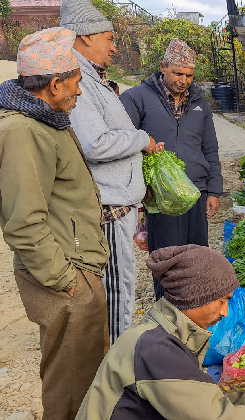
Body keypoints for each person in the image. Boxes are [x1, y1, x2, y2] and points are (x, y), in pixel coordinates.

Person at [0, 27, 109, 420]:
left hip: (76, 271)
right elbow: (23, 222)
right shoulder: (22, 131)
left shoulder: (45, 120)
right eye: (76, 83)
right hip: (64, 278)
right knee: (71, 383)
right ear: (55, 84)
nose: (79, 92)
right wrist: (66, 281)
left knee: (86, 374)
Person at [76, 245, 245, 420]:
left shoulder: (164, 334)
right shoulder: (157, 349)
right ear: (197, 299)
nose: (225, 313)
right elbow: (215, 416)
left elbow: (206, 400)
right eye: (223, 301)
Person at [61, 0, 163, 344]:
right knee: (117, 287)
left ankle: (117, 356)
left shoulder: (90, 75)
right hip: (109, 203)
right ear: (86, 37)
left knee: (122, 283)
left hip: (119, 200)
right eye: (108, 38)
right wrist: (141, 140)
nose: (114, 46)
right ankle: (117, 365)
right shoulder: (77, 77)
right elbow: (96, 143)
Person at [120, 39, 223, 301]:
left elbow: (210, 148)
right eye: (177, 73)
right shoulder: (136, 98)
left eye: (189, 75)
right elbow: (124, 142)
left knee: (197, 253)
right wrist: (141, 189)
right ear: (163, 66)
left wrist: (214, 189)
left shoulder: (200, 103)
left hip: (196, 191)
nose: (183, 80)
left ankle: (195, 307)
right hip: (160, 194)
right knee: (167, 255)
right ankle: (167, 309)